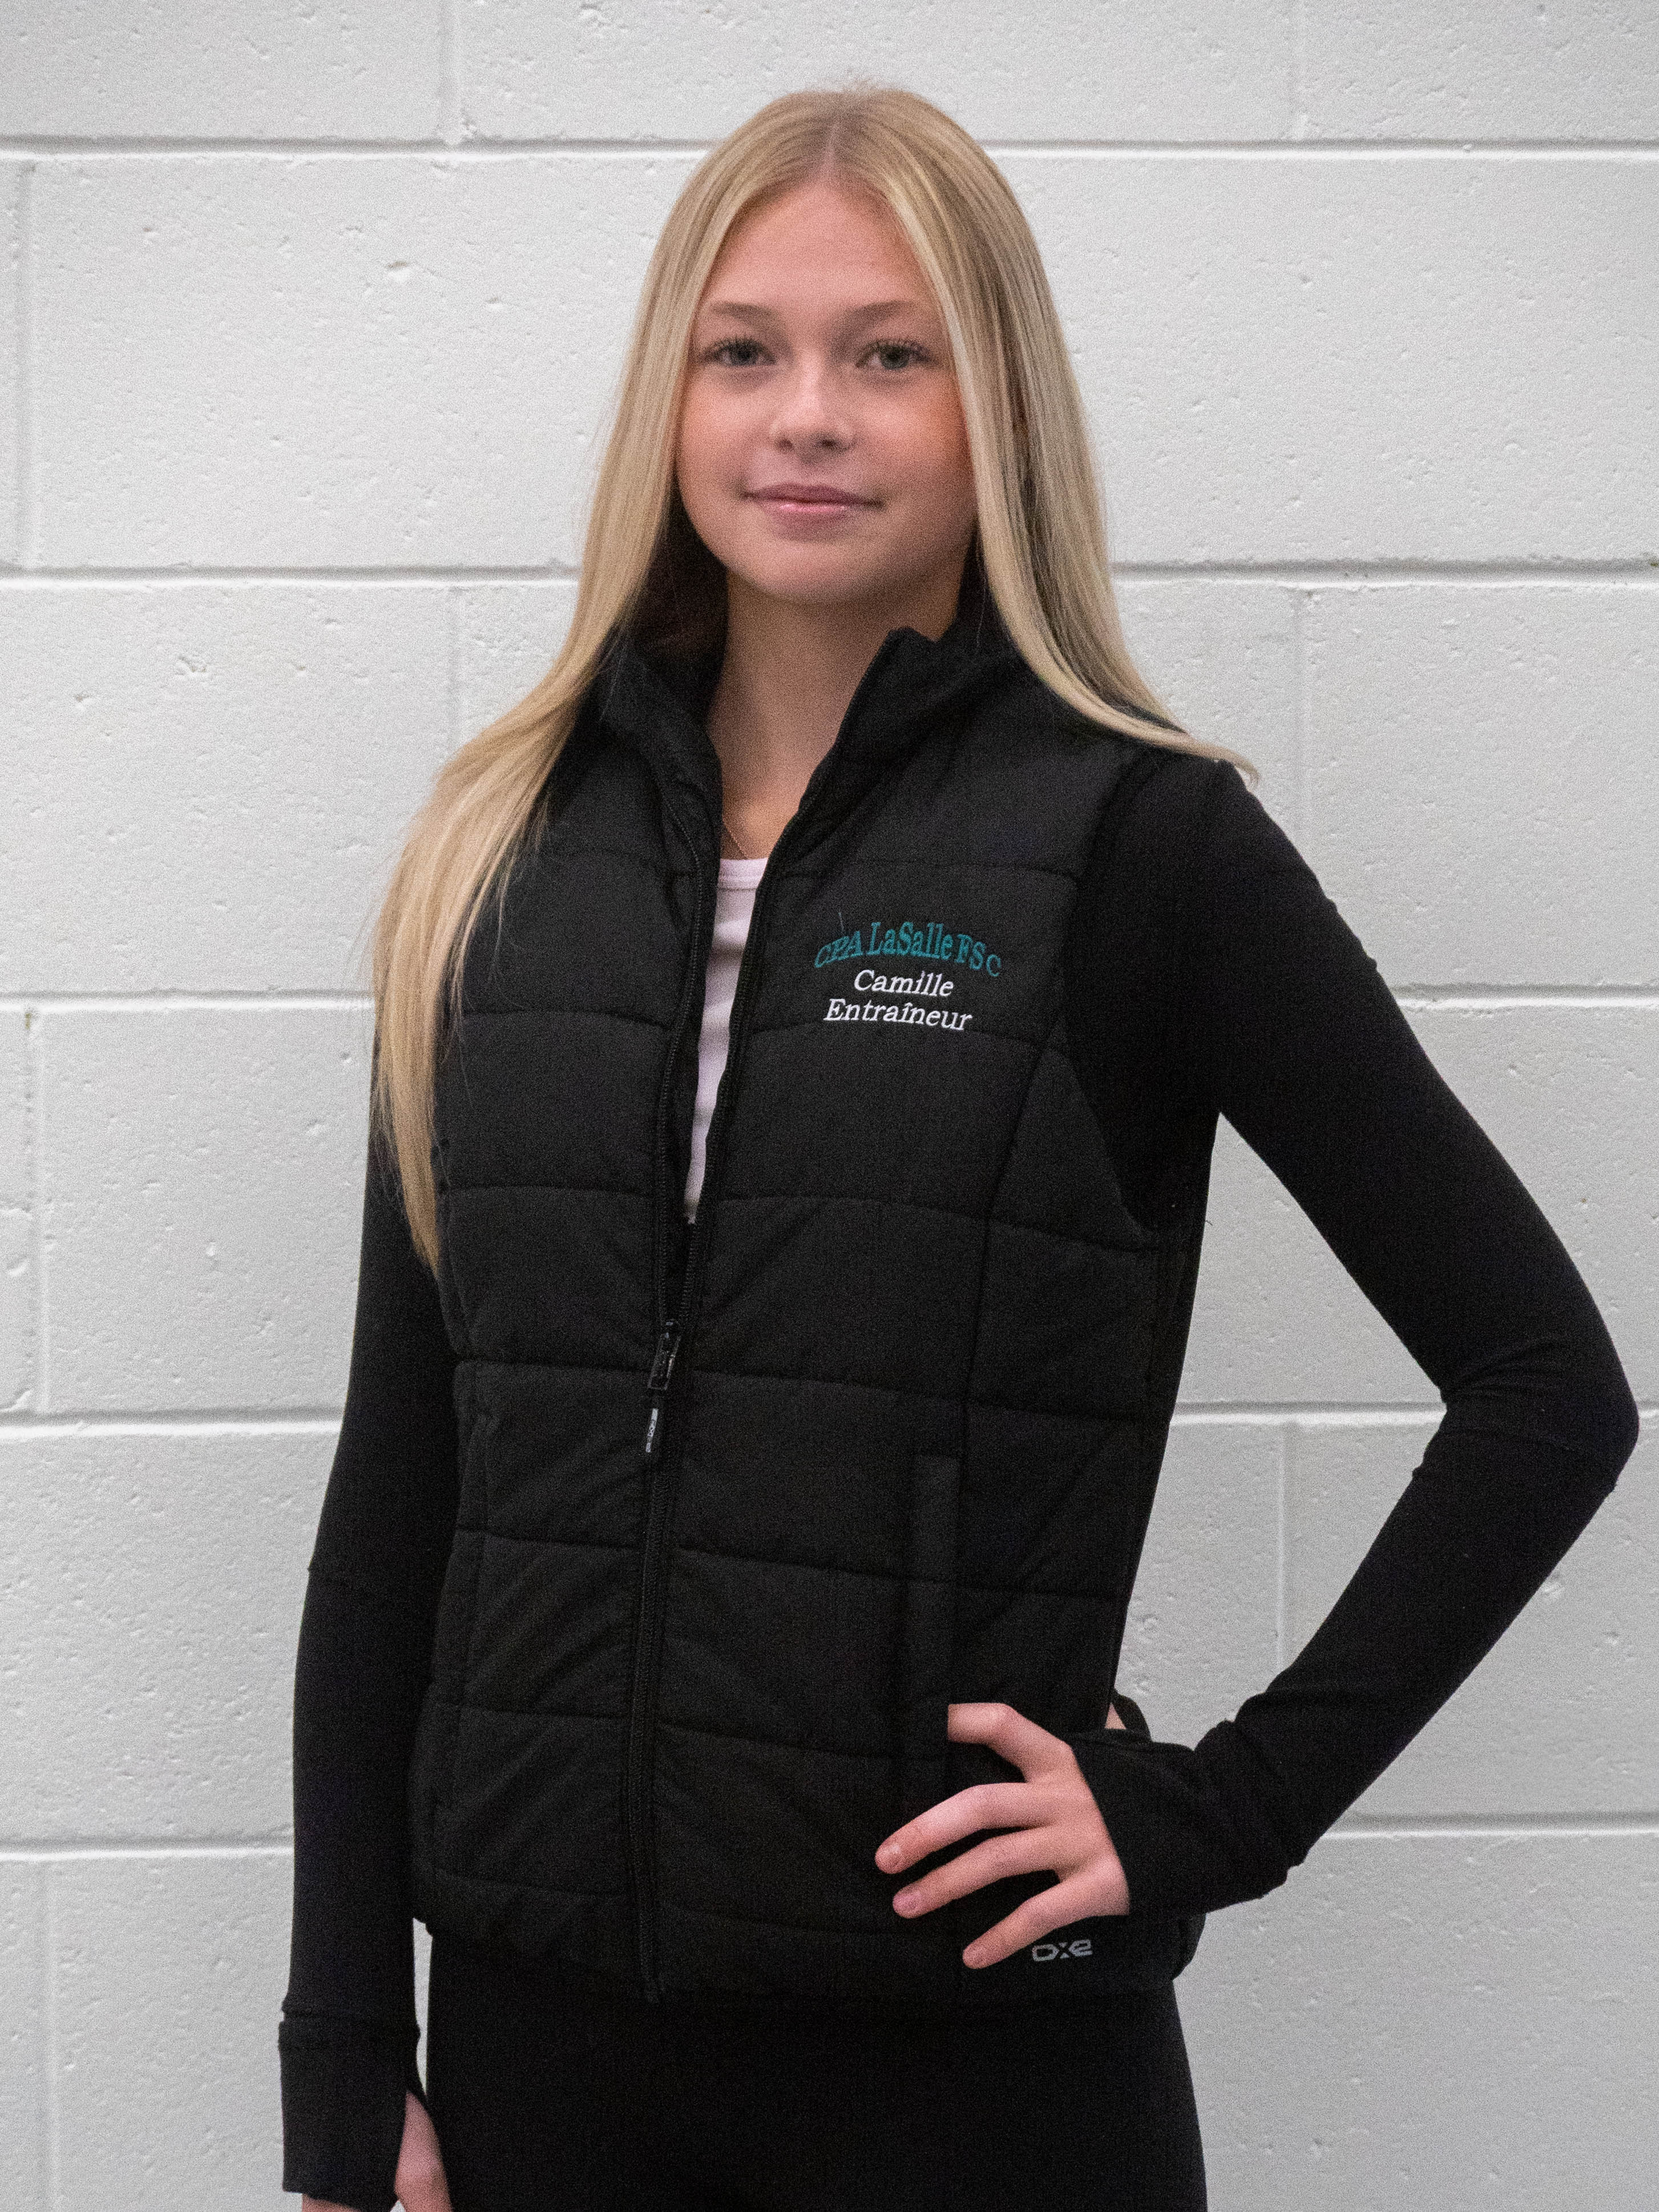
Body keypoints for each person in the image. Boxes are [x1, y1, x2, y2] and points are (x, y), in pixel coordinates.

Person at [278, 84, 1639, 2212]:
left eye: (887, 352)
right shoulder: (499, 857)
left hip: (974, 2082)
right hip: (544, 2070)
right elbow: (400, 1497)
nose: (806, 414)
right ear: (668, 400)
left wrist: (1219, 1809)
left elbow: (1545, 1387)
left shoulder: (1140, 847)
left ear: (993, 402)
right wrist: (346, 2054)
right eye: (743, 350)